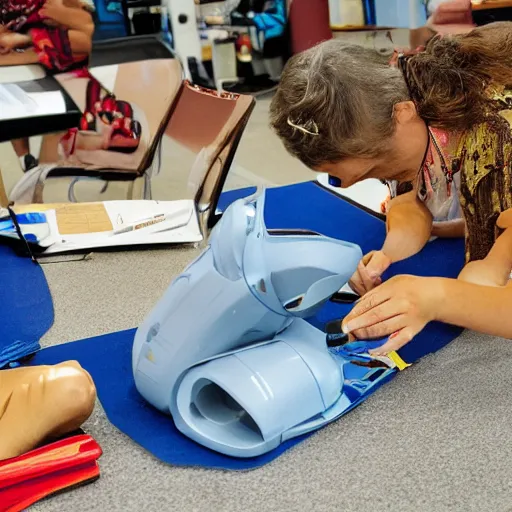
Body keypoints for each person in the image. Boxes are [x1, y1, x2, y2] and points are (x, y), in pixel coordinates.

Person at [269, 22, 512, 355]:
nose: (367, 181)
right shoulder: (403, 94)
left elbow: (490, 273)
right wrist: (388, 254)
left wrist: (439, 298)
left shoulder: (497, 135)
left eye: (376, 168)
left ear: (403, 114)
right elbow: (410, 199)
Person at [0, 0, 95, 171]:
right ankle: (25, 160)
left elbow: (82, 39)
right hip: (27, 71)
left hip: (67, 82)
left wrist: (23, 42)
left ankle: (33, 169)